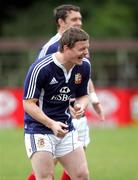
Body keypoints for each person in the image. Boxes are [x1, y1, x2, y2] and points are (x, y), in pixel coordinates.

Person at [28, 4, 105, 180]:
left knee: (78, 169)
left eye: (80, 19)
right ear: (61, 21)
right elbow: (39, 82)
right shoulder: (50, 48)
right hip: (53, 115)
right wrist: (50, 116)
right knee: (48, 167)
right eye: (74, 19)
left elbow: (83, 76)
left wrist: (93, 100)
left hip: (74, 112)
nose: (79, 23)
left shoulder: (81, 42)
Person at [24, 27, 90, 180]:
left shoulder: (84, 66)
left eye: (87, 48)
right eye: (82, 49)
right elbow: (28, 104)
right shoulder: (40, 68)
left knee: (81, 175)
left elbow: (83, 95)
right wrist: (51, 124)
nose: (86, 53)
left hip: (66, 128)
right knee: (46, 177)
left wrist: (80, 106)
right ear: (66, 47)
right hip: (39, 130)